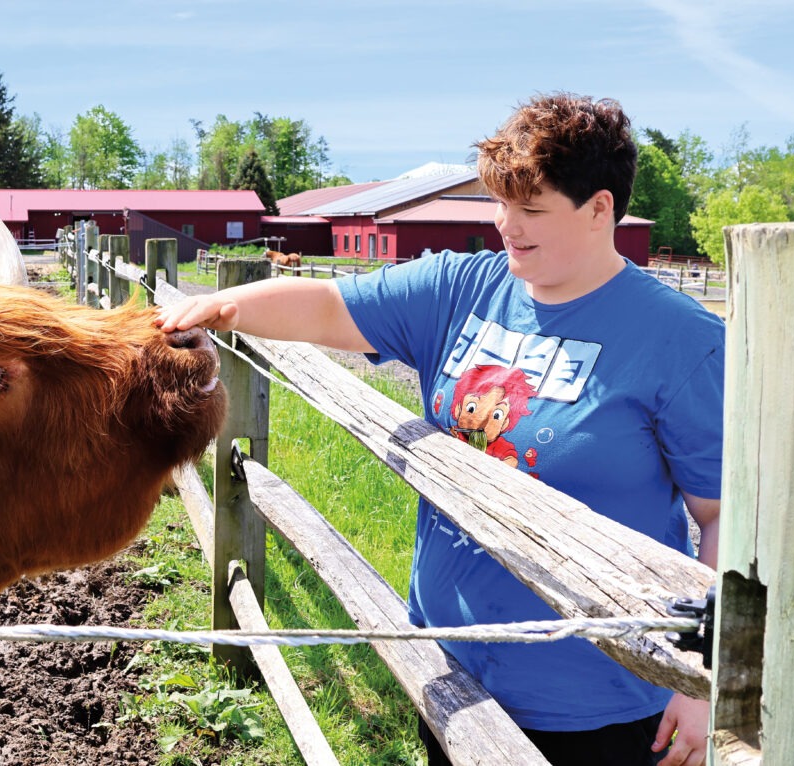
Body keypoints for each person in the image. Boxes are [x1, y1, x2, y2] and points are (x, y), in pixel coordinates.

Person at [156, 93, 722, 766]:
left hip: (600, 699)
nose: (506, 225)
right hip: (453, 665)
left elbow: (724, 516)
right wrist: (217, 308)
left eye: (532, 209)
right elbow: (328, 306)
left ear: (600, 208)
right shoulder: (461, 289)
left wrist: (701, 678)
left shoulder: (681, 340)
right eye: (500, 203)